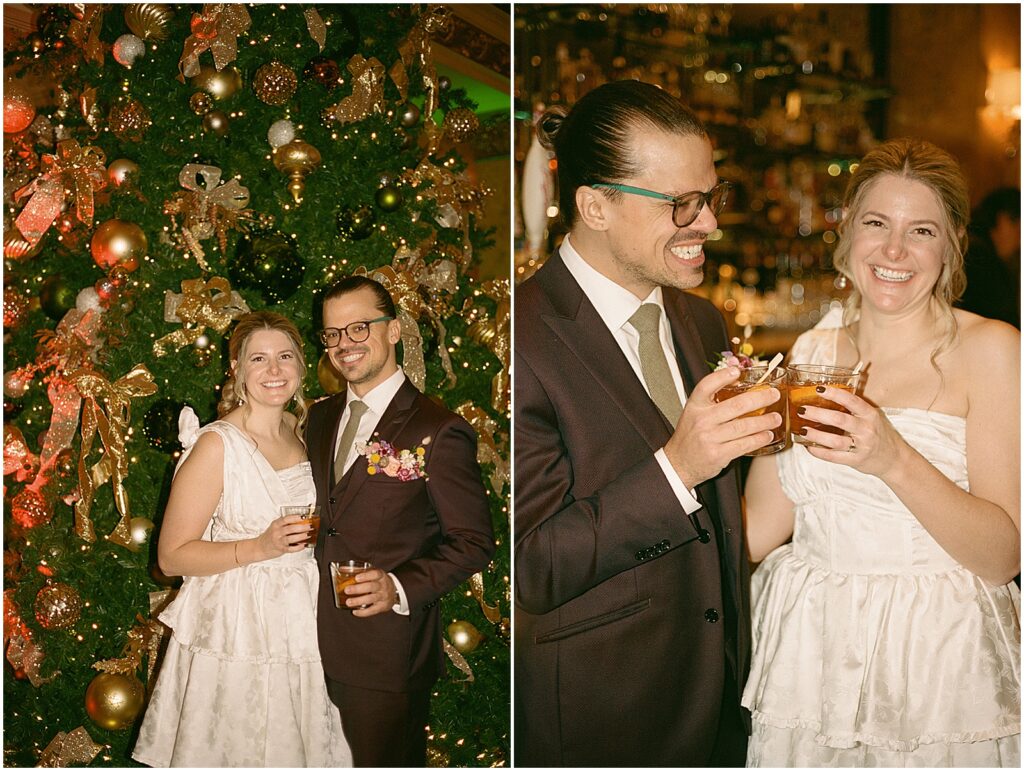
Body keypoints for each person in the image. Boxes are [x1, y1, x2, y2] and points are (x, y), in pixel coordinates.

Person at [514, 80, 783, 766]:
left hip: (719, 701)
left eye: (710, 197)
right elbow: (530, 565)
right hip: (603, 718)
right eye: (680, 205)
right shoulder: (517, 335)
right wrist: (679, 468)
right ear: (595, 205)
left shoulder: (700, 318)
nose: (709, 224)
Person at [742, 138, 1021, 766]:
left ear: (951, 244)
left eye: (920, 230)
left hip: (942, 668)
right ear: (847, 236)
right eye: (876, 223)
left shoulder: (994, 350)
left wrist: (890, 457)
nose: (894, 250)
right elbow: (758, 529)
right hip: (814, 663)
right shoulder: (810, 353)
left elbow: (1002, 557)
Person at [132, 311, 352, 767]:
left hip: (305, 620)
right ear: (237, 370)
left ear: (302, 366)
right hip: (236, 626)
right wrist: (259, 547)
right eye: (259, 359)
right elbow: (172, 557)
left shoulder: (306, 431)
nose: (274, 371)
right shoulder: (217, 444)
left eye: (285, 356)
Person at [306, 275, 495, 768]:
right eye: (332, 334)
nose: (344, 344)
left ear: (393, 331)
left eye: (359, 328)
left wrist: (397, 587)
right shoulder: (319, 418)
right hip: (301, 646)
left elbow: (473, 541)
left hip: (385, 659)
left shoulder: (438, 427)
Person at [957, 186, 1020, 327]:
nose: (1019, 240)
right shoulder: (980, 260)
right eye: (1017, 228)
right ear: (1003, 219)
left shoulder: (973, 252)